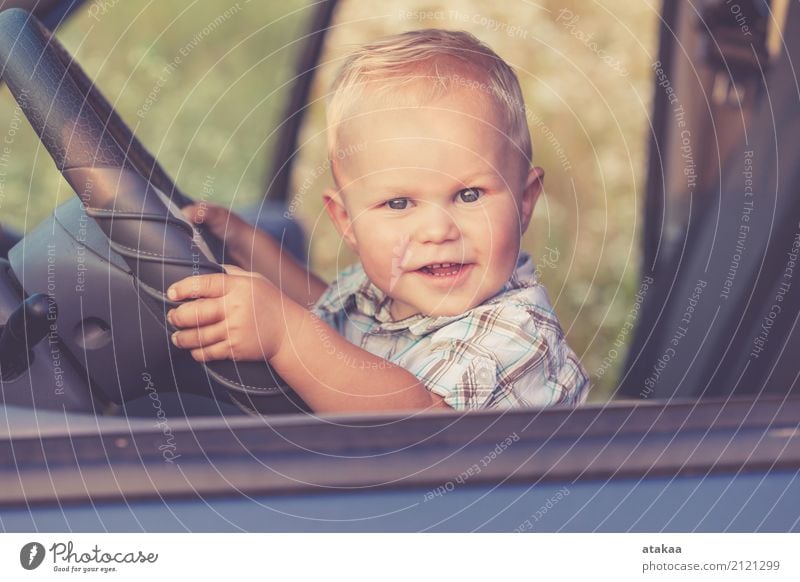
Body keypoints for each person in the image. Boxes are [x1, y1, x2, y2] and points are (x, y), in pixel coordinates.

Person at [167, 29, 589, 413]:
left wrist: (285, 336)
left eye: (469, 195)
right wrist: (246, 245)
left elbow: (423, 425)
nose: (438, 231)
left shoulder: (517, 334)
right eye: (400, 203)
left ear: (525, 202)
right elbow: (328, 310)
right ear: (346, 221)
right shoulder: (387, 287)